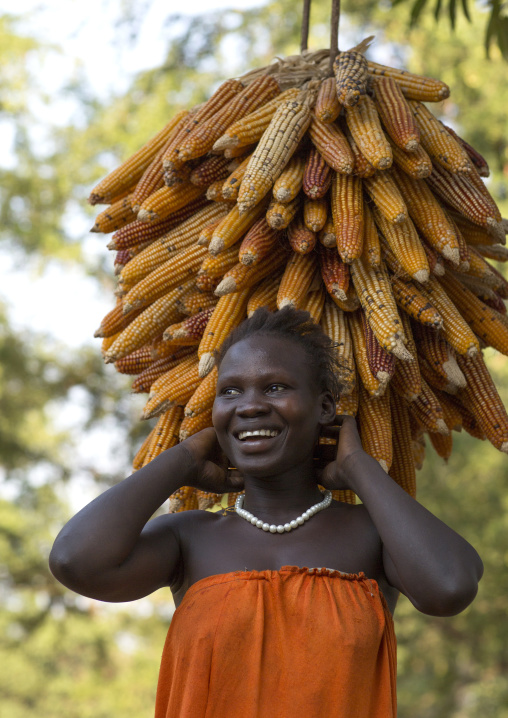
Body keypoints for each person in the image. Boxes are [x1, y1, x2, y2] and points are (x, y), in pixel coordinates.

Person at [49, 306, 483, 717]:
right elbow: (75, 560)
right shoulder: (190, 538)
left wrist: (358, 467)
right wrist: (181, 459)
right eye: (231, 391)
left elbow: (449, 586)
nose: (249, 405)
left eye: (275, 387)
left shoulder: (372, 536)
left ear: (326, 409)